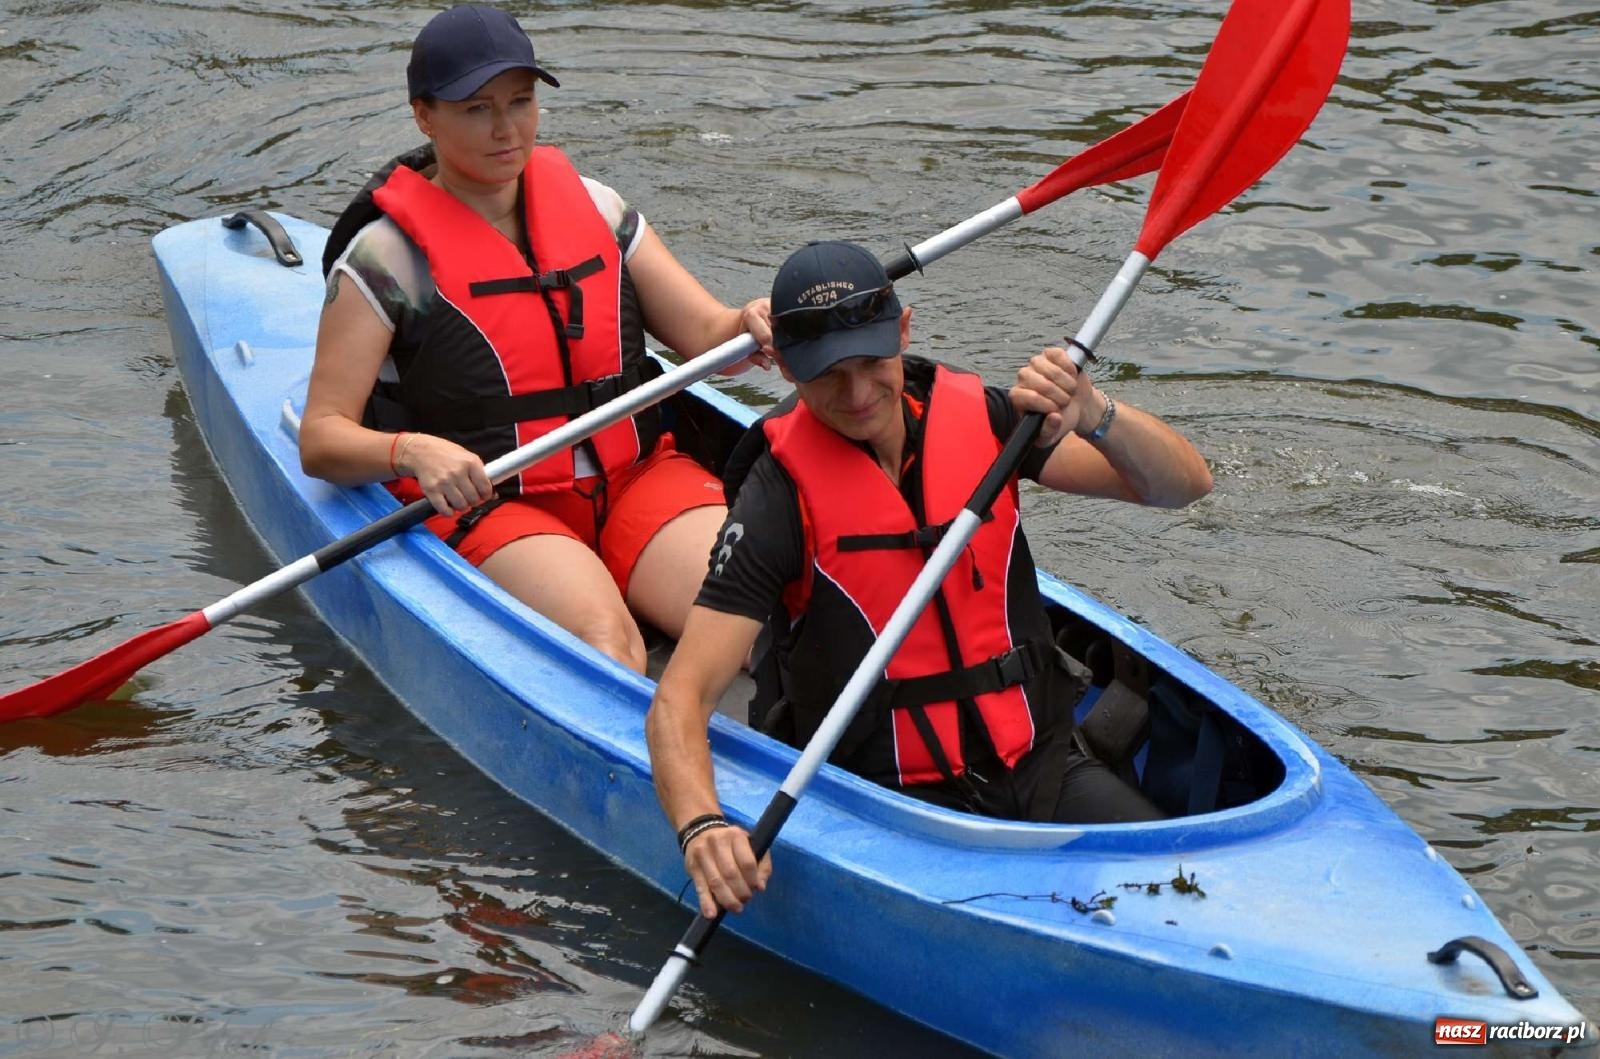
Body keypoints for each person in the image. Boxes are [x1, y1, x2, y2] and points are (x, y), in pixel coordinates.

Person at [645, 240, 1214, 918]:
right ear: (790, 369)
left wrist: (1097, 414)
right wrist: (702, 826)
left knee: (1197, 894)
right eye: (828, 374)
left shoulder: (988, 421)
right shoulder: (776, 498)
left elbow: (1180, 486)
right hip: (885, 802)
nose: (858, 395)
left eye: (870, 363)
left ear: (904, 331)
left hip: (1040, 766)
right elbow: (679, 701)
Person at [300, 4, 772, 673]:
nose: (505, 128)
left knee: (761, 621)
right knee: (612, 649)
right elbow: (321, 438)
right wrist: (411, 450)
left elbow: (705, 331)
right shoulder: (386, 260)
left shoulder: (596, 207)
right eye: (475, 108)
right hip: (498, 505)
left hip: (637, 478)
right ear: (423, 115)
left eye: (520, 102)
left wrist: (749, 325)